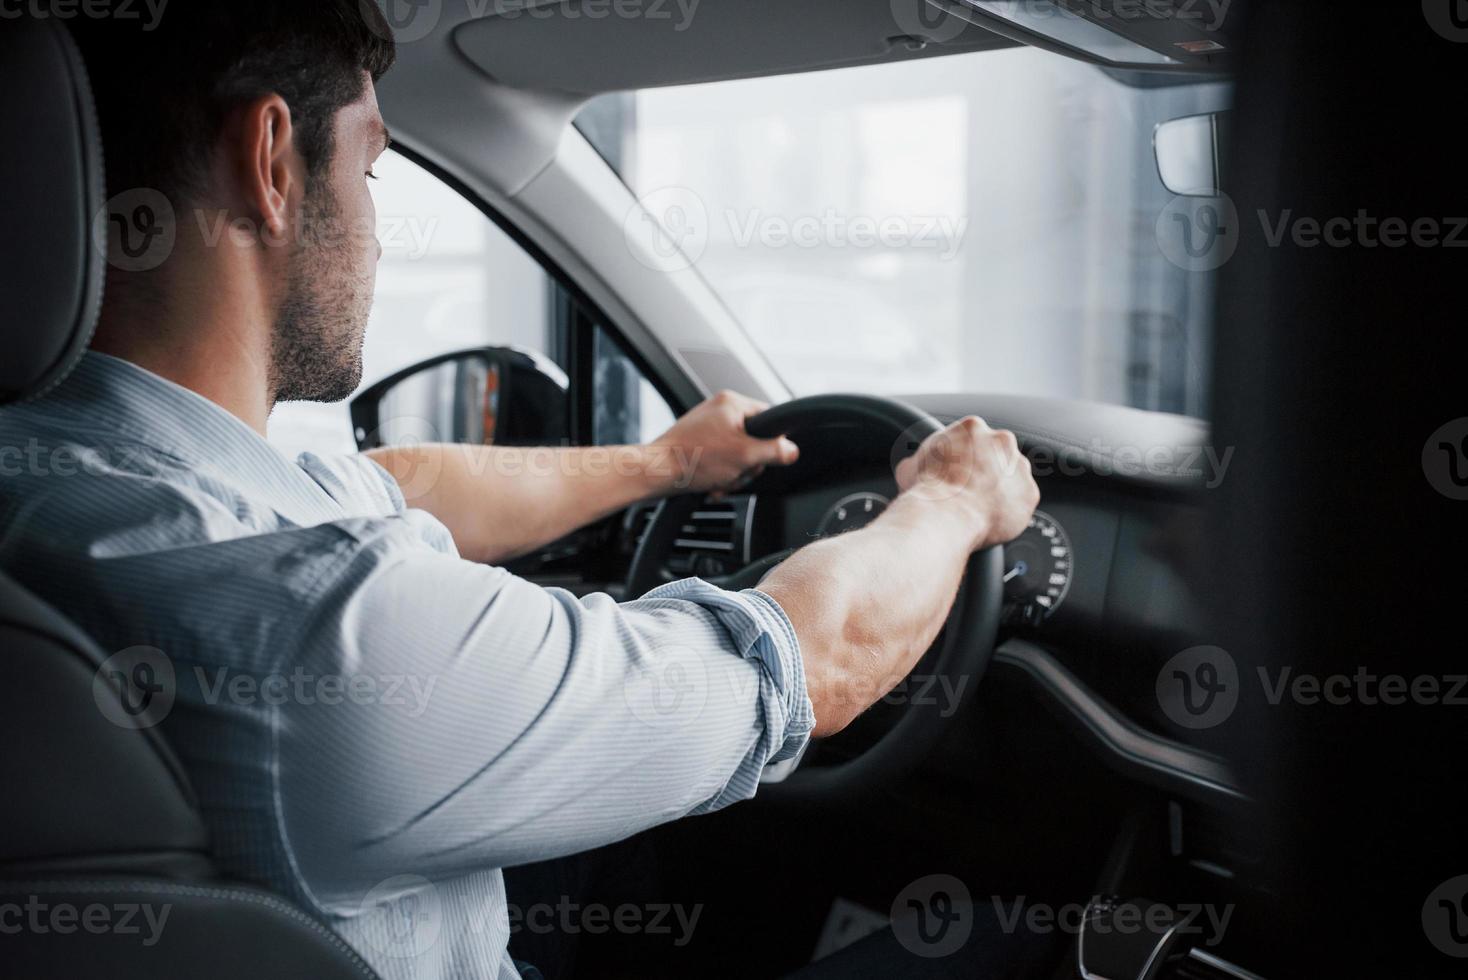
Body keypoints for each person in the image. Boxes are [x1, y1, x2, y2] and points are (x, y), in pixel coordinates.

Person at [0, 6, 1039, 978]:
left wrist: (664, 464)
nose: (370, 222)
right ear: (271, 162)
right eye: (371, 162)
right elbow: (811, 661)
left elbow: (397, 486)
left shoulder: (77, 483)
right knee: (1008, 938)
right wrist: (954, 501)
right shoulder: (322, 631)